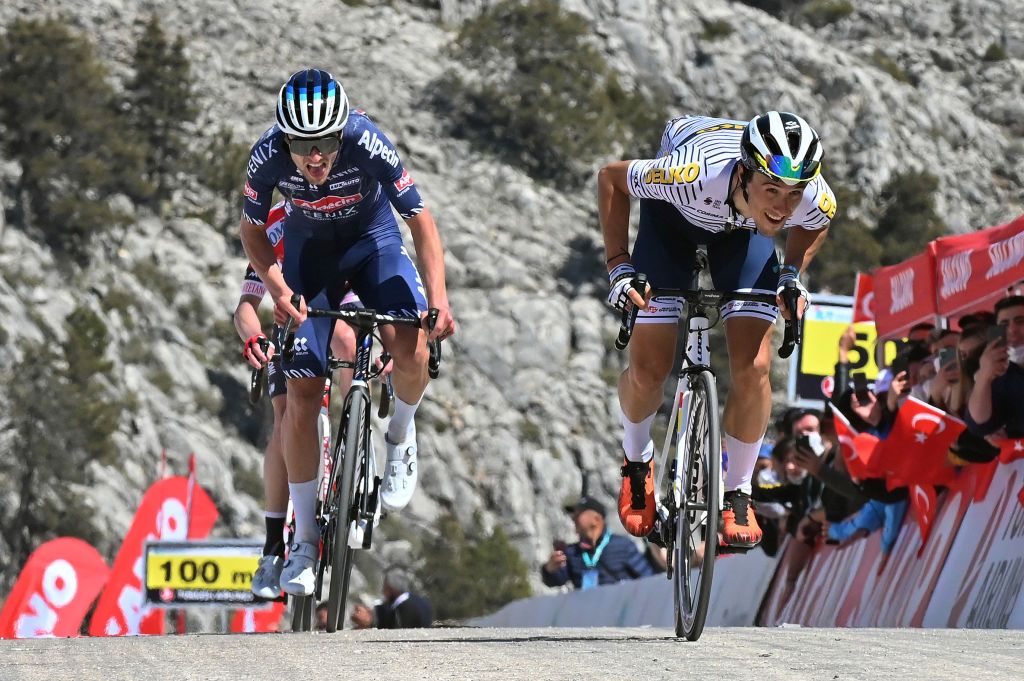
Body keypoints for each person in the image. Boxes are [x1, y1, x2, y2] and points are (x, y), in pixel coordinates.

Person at [239, 68, 456, 597]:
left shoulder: (368, 141)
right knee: (301, 392)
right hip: (309, 255)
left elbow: (420, 222)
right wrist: (275, 284)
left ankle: (400, 434)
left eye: (326, 143)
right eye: (303, 145)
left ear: (344, 131)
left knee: (412, 346)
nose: (315, 157)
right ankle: (306, 542)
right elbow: (251, 229)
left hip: (373, 242)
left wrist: (439, 297)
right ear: (284, 138)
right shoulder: (266, 155)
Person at [598, 111, 834, 547]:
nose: (783, 206)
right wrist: (619, 266)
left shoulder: (812, 198)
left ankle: (738, 490)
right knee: (650, 368)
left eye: (793, 194)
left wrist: (791, 275)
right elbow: (611, 179)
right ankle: (636, 461)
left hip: (743, 235)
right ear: (744, 174)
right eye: (772, 190)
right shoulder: (691, 173)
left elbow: (814, 222)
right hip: (671, 222)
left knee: (756, 367)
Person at [234, 201, 362, 599]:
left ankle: (356, 443)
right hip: (291, 328)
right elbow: (246, 307)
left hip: (340, 310)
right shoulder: (272, 223)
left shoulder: (348, 202)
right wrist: (253, 338)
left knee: (346, 338)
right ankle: (273, 547)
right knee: (285, 418)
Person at [541, 496, 655, 590]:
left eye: (578, 513)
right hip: (589, 615)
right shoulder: (572, 553)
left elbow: (649, 579)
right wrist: (549, 569)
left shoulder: (623, 546)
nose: (573, 518)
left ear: (596, 519)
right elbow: (555, 581)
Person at [967, 296, 1024, 439]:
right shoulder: (999, 374)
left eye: (1021, 321)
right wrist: (984, 377)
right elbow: (979, 424)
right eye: (1004, 324)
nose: (1012, 330)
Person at [350, 567, 432, 629]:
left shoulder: (406, 607)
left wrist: (369, 622)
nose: (383, 590)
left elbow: (396, 632)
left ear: (391, 587)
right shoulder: (415, 601)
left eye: (385, 586)